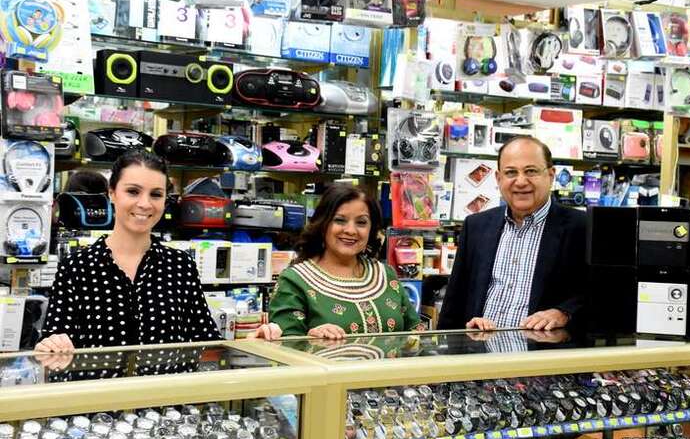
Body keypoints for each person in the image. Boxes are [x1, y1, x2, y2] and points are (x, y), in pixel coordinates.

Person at [35, 150, 281, 354]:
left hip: (167, 397)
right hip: (99, 397)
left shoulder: (180, 266)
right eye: (133, 191)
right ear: (112, 193)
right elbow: (54, 342)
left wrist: (252, 342)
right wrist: (52, 345)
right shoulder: (77, 266)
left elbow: (205, 341)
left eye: (156, 194)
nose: (144, 204)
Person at [437, 135, 587, 332]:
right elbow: (454, 302)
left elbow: (602, 296)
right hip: (480, 347)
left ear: (551, 176)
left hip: (543, 349)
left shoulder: (583, 227)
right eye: (511, 172)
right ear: (498, 179)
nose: (521, 181)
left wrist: (564, 313)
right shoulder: (476, 226)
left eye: (531, 171)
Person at [258, 184, 425, 339]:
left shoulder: (385, 275)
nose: (351, 230)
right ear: (323, 224)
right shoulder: (295, 281)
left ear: (371, 229)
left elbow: (417, 335)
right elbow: (284, 347)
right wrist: (311, 338)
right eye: (340, 220)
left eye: (361, 222)